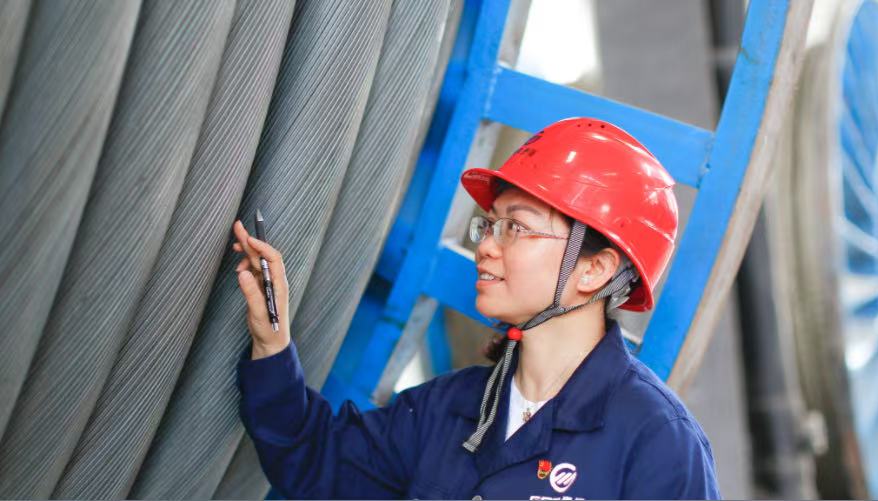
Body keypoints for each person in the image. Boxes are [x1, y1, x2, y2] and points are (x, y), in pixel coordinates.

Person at [232, 117, 721, 499]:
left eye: (516, 228)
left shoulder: (656, 442)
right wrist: (272, 344)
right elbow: (316, 459)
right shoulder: (448, 409)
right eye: (489, 226)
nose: (485, 246)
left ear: (593, 269)